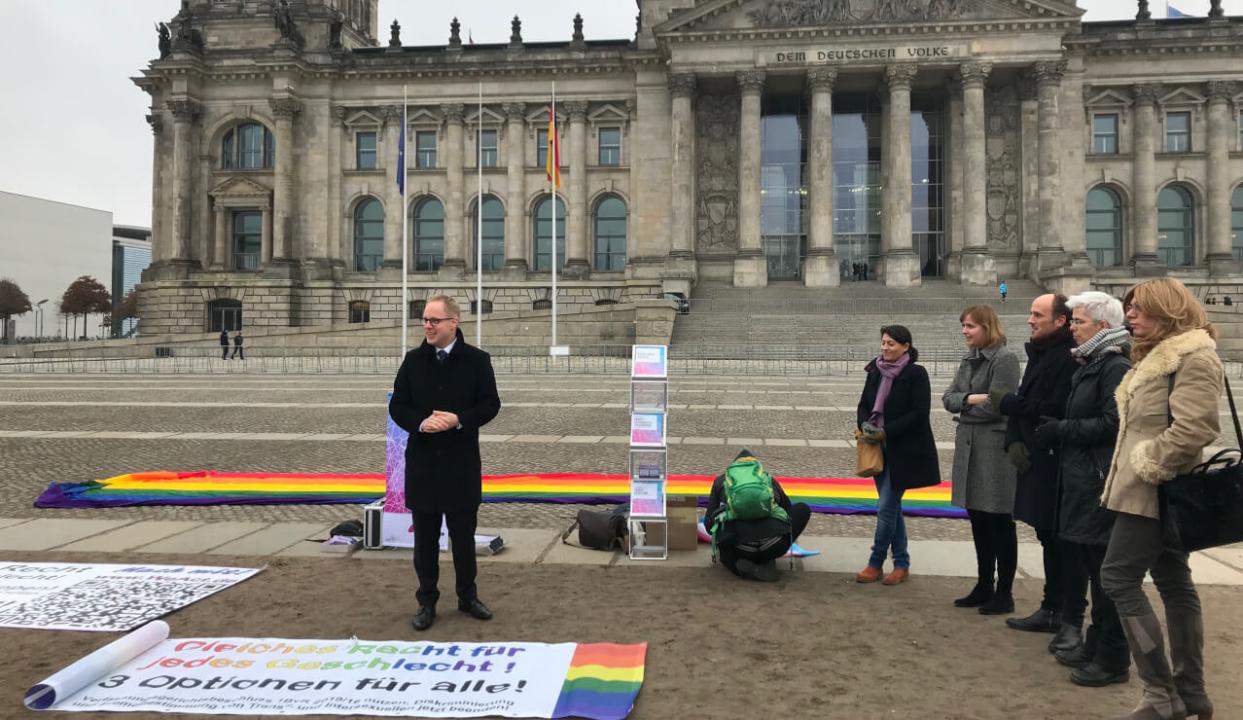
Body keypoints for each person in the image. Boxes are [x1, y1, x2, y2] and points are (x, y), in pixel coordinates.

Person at [1101, 278, 1221, 720]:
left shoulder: (1194, 356)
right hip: (1146, 491)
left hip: (1157, 491)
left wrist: (1150, 463)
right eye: (1129, 307)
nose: (1130, 314)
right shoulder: (1155, 357)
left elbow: (1196, 429)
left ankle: (1160, 693)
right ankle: (1190, 694)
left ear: (1169, 310)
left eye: (1141, 308)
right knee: (1173, 584)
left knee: (1117, 579)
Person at [1034, 291, 1132, 688]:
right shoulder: (1091, 363)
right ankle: (1096, 644)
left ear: (1102, 327)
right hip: (1083, 477)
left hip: (1097, 479)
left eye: (1078, 322)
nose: (1071, 328)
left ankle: (1113, 658)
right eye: (1072, 321)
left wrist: (1061, 429)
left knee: (1105, 574)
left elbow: (1112, 424)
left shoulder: (1114, 366)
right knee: (1094, 567)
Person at [389, 294, 500, 632]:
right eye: (425, 319)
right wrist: (422, 422)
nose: (427, 325)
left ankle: (467, 596)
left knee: (463, 538)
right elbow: (398, 405)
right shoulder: (412, 360)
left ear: (454, 322)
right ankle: (426, 601)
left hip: (461, 464)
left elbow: (490, 404)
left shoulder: (477, 361)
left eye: (434, 320)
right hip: (423, 464)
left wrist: (458, 419)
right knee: (424, 541)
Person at [989, 294, 1084, 647]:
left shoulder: (1067, 357)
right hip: (1035, 457)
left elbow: (1054, 407)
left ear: (1060, 321)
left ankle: (1066, 614)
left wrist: (1008, 403)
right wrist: (1013, 439)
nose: (1030, 320)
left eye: (1037, 314)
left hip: (1055, 461)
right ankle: (1051, 607)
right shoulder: (1041, 352)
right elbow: (1025, 406)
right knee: (1047, 536)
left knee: (1063, 542)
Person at [942, 305, 1020, 615]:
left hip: (994, 450)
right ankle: (983, 583)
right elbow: (948, 399)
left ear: (987, 327)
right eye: (963, 325)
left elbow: (998, 405)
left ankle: (1005, 592)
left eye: (970, 326)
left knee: (1000, 520)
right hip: (971, 447)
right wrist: (973, 399)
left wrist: (967, 404)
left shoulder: (1005, 359)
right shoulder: (969, 359)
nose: (964, 331)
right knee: (978, 520)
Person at [855, 325, 941, 585]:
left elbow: (919, 413)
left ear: (906, 346)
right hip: (876, 449)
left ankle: (875, 562)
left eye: (891, 343)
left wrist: (885, 431)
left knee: (885, 507)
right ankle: (902, 564)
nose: (885, 347)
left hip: (904, 450)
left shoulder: (916, 374)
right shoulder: (875, 370)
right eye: (883, 342)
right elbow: (864, 404)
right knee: (891, 507)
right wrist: (864, 426)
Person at [704, 449, 812, 582]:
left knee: (721, 526)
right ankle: (766, 560)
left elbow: (709, 526)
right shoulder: (767, 479)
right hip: (773, 546)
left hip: (740, 550)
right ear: (756, 466)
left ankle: (740, 567)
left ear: (734, 467)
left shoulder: (721, 482)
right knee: (802, 508)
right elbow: (788, 511)